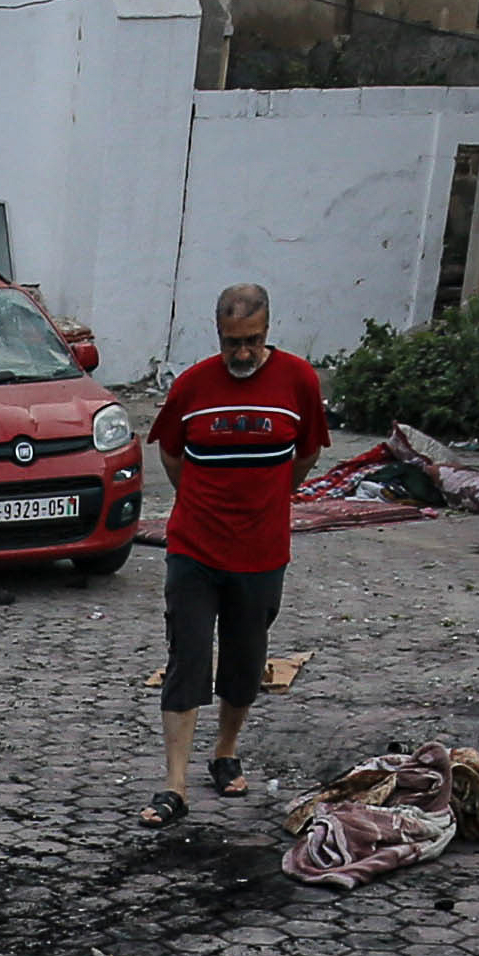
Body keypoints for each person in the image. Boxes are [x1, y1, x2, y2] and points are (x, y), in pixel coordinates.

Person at [145, 283, 327, 826]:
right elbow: (172, 455)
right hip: (195, 548)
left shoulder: (298, 380)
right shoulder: (194, 385)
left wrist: (267, 501)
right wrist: (204, 505)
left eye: (252, 341)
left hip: (262, 551)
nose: (242, 354)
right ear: (216, 334)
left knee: (246, 661)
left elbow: (308, 453)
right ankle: (174, 785)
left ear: (268, 332)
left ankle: (225, 751)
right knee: (188, 655)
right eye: (231, 343)